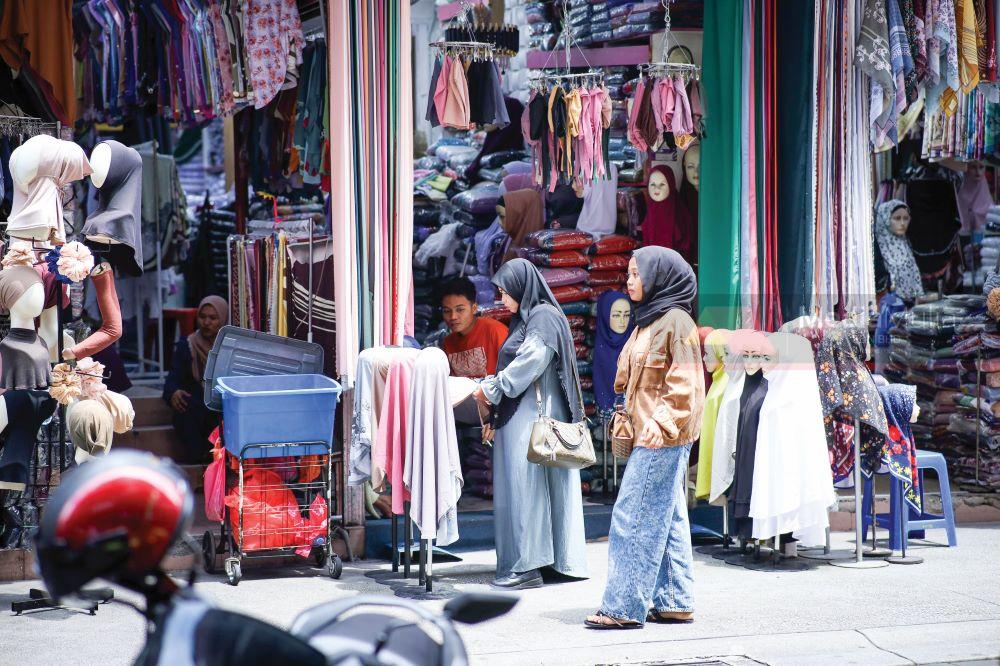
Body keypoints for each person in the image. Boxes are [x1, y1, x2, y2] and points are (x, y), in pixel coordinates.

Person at [586, 247, 705, 629]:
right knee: (667, 517)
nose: (629, 281)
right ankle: (674, 599)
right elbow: (628, 376)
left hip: (662, 435)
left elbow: (686, 384)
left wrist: (661, 422)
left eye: (636, 274)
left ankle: (622, 606)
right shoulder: (647, 321)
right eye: (629, 273)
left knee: (632, 515)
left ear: (658, 277)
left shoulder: (677, 322)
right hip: (647, 432)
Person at [473, 259, 588, 589]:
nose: (501, 298)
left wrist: (493, 389)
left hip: (531, 419)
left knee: (526, 490)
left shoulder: (541, 317)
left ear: (522, 287)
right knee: (538, 490)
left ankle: (527, 567)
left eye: (504, 291)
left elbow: (531, 361)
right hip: (533, 415)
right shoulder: (534, 316)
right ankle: (550, 561)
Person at [162, 295, 228, 463]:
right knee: (191, 405)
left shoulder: (229, 348)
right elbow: (172, 380)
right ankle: (199, 457)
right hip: (196, 410)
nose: (206, 322)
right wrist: (174, 392)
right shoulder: (188, 344)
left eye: (213, 318)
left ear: (223, 319)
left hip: (222, 408)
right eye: (202, 317)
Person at [439, 277, 508, 379]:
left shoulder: (496, 331)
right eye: (447, 311)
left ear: (474, 308)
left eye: (460, 310)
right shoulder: (448, 342)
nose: (453, 317)